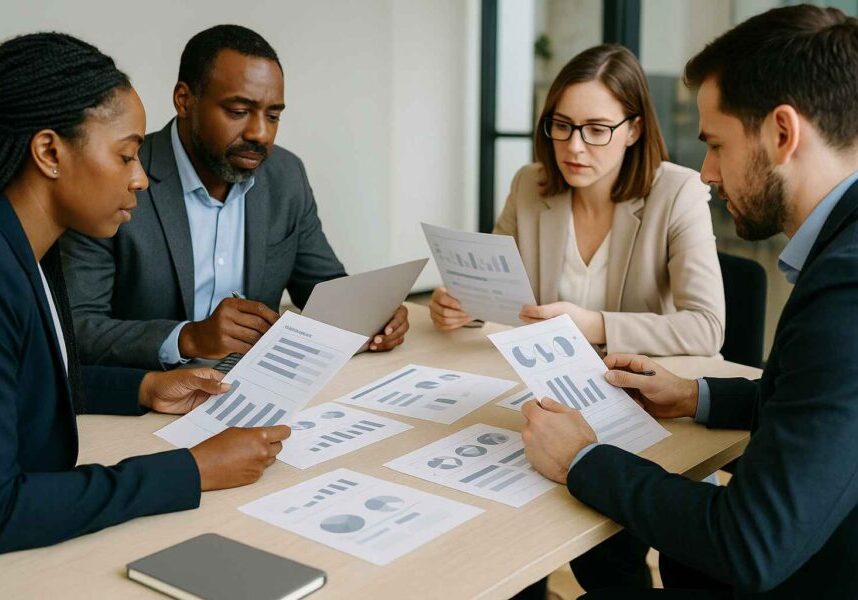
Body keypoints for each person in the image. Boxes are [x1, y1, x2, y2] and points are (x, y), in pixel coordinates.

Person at [520, 5, 858, 598]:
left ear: (783, 134)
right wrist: (694, 395)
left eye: (717, 145)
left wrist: (582, 459)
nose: (706, 172)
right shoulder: (841, 253)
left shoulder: (845, 291)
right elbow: (821, 403)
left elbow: (749, 544)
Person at [0, 32, 291, 553]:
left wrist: (144, 387)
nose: (140, 178)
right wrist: (191, 470)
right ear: (49, 152)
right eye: (126, 156)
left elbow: (29, 382)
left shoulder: (33, 252)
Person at [60, 25, 409, 371]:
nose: (260, 133)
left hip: (256, 381)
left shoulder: (285, 175)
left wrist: (371, 313)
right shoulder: (119, 175)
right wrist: (188, 338)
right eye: (239, 112)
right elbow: (76, 326)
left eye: (273, 116)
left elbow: (321, 288)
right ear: (184, 100)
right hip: (149, 389)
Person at [430, 44, 724, 358]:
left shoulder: (678, 193)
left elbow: (706, 328)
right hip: (546, 370)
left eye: (596, 130)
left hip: (641, 378)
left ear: (633, 131)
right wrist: (463, 306)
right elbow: (493, 291)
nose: (574, 147)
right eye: (562, 125)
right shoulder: (529, 185)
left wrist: (594, 325)